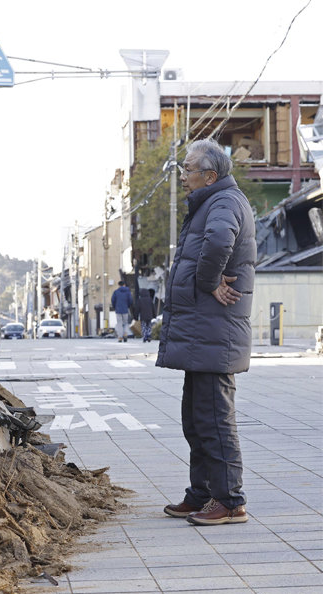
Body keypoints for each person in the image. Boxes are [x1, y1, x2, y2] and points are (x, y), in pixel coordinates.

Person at [158, 138, 256, 526]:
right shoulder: (210, 203)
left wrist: (210, 281)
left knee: (214, 419)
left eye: (188, 169)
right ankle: (201, 494)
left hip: (215, 330)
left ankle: (230, 501)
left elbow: (218, 243)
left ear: (209, 176)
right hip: (203, 330)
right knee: (196, 418)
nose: (183, 176)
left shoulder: (224, 203)